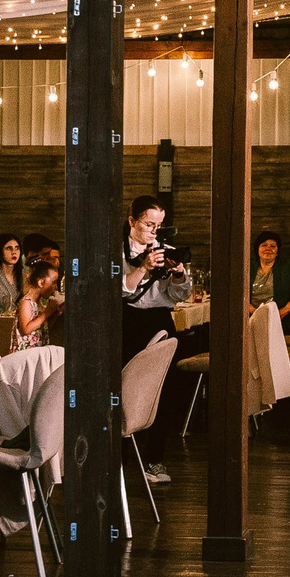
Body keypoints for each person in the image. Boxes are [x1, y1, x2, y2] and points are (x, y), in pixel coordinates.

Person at [120, 196, 192, 481]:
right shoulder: (116, 252)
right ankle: (120, 457)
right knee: (123, 387)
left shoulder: (166, 250)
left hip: (159, 320)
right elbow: (122, 290)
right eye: (149, 224)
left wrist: (178, 274)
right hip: (126, 320)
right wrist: (143, 267)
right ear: (132, 221)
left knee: (160, 389)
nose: (153, 231)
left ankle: (155, 460)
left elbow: (179, 296)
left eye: (159, 226)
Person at [11, 256, 63, 349]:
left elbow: (41, 327)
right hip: (25, 356)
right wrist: (47, 312)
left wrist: (55, 312)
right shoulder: (26, 302)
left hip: (37, 353)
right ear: (41, 283)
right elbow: (26, 329)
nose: (55, 287)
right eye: (53, 282)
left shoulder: (39, 304)